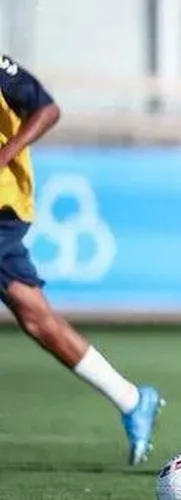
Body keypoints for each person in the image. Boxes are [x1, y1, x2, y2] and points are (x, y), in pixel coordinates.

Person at [0, 53, 163, 465]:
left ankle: (130, 399)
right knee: (34, 315)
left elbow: (47, 108)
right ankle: (130, 399)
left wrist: (4, 156)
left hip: (3, 205)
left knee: (33, 315)